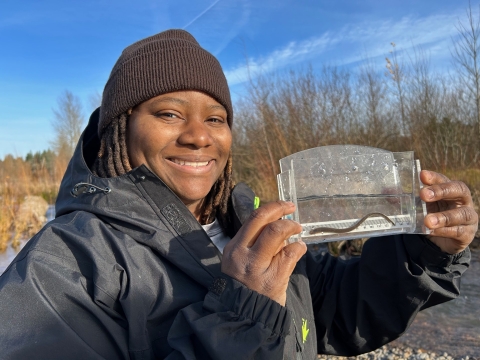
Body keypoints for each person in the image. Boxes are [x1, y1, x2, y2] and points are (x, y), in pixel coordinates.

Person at [0, 29, 477, 360]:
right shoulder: (61, 269)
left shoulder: (252, 226)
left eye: (215, 118)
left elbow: (336, 313)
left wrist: (427, 251)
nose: (198, 136)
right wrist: (242, 315)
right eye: (168, 113)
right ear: (119, 129)